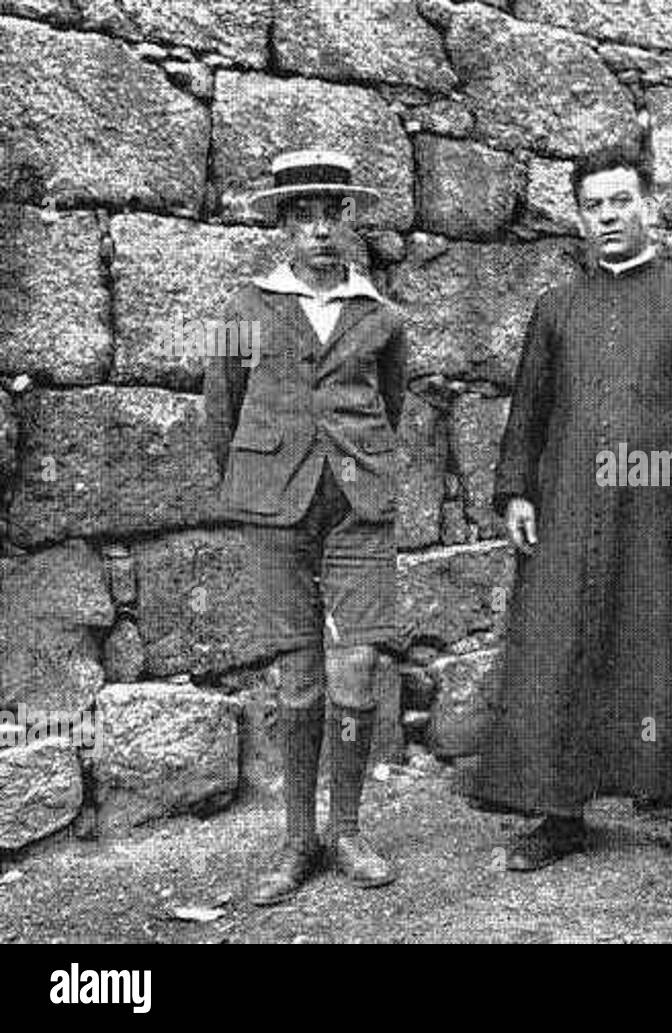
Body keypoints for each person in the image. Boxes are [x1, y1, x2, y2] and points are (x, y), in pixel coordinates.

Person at [472, 145, 672, 878]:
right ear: (579, 217)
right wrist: (514, 489)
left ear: (649, 206)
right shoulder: (557, 307)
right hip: (571, 508)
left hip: (665, 512)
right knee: (561, 651)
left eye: (620, 201)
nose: (608, 216)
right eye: (593, 206)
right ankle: (559, 812)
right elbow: (529, 410)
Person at [204, 150, 408, 905]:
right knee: (298, 672)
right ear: (282, 224)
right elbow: (218, 407)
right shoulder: (244, 310)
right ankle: (298, 838)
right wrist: (253, 477)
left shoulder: (382, 316)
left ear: (350, 219)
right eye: (302, 215)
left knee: (355, 664)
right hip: (274, 503)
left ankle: (347, 827)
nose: (320, 230)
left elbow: (393, 400)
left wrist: (361, 465)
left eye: (333, 213)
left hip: (358, 502)